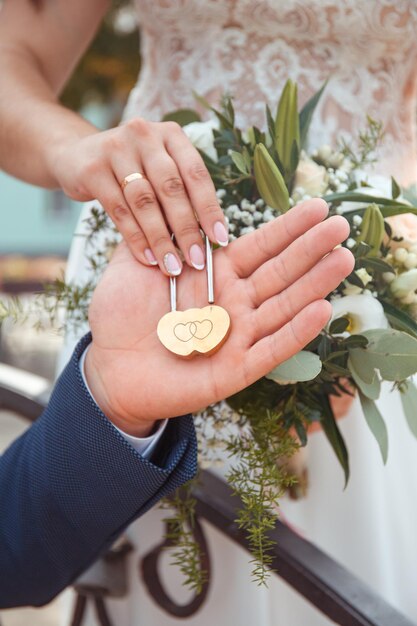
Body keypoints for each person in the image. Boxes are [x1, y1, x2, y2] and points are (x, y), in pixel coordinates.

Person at [0, 1, 415, 624]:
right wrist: (75, 153)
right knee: (165, 558)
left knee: (345, 565)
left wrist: (390, 265)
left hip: (368, 266)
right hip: (147, 261)